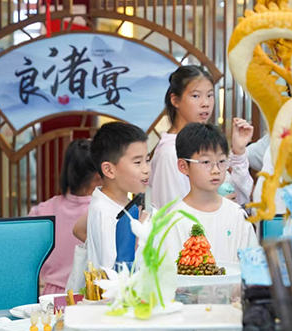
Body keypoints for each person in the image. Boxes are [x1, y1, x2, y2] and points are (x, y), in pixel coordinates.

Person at [149, 65, 254, 209]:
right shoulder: (169, 153)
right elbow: (173, 213)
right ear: (175, 100)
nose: (205, 103)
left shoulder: (207, 141)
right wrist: (217, 205)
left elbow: (242, 197)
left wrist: (238, 151)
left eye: (210, 95)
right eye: (196, 96)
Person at [166, 123, 258, 262]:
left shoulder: (237, 214)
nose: (216, 170)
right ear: (183, 166)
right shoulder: (174, 220)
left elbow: (253, 264)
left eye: (221, 161)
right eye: (206, 162)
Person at [28, 140, 102, 295]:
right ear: (98, 175)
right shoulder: (102, 211)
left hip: (50, 295)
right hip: (89, 294)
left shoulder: (42, 211)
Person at [87, 122, 150, 269]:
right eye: (137, 162)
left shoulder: (122, 203)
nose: (146, 169)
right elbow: (114, 271)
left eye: (147, 160)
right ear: (109, 170)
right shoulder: (104, 211)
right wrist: (138, 234)